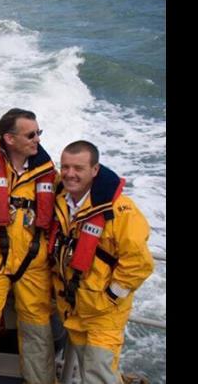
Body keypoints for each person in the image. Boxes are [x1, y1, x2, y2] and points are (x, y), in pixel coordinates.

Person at [0, 108, 57, 384]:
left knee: (37, 327)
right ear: (10, 139)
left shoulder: (50, 173)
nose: (37, 139)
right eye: (31, 134)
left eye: (39, 133)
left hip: (33, 260)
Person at [48, 141, 154, 383]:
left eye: (78, 168)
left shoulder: (121, 211)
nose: (69, 174)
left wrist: (110, 297)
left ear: (95, 170)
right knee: (91, 371)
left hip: (103, 314)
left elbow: (140, 263)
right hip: (75, 308)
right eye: (65, 167)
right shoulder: (63, 200)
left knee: (98, 375)